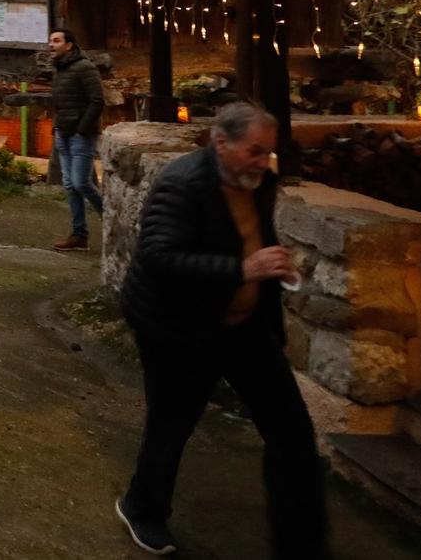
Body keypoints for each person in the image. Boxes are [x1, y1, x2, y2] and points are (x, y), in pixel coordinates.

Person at [116, 101, 325, 558]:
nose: (262, 162)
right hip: (178, 328)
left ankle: (302, 545)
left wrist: (272, 265)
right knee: (172, 426)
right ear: (220, 143)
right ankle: (141, 507)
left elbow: (251, 238)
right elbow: (158, 255)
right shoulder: (183, 184)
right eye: (254, 151)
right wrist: (241, 268)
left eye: (268, 152)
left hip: (245, 328)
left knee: (291, 432)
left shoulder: (259, 183)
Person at [48, 26, 106, 250]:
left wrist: (82, 129)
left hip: (81, 135)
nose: (51, 45)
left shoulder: (84, 67)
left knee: (82, 183)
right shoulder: (60, 69)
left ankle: (112, 219)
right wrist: (57, 127)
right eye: (51, 41)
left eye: (56, 41)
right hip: (63, 133)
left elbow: (97, 100)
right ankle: (78, 235)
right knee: (71, 185)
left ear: (69, 45)